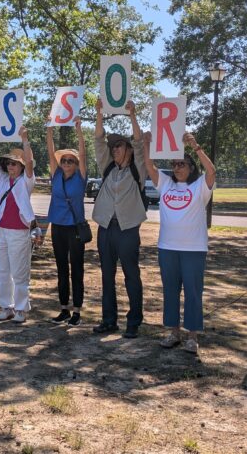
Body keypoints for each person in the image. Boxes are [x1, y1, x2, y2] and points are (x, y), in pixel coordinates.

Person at [143, 131, 216, 355]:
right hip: (167, 247)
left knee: (193, 292)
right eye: (174, 164)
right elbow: (150, 167)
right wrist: (147, 144)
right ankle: (173, 333)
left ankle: (192, 336)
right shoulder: (165, 184)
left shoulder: (200, 187)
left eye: (182, 164)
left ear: (191, 167)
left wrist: (195, 146)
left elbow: (211, 170)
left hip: (193, 248)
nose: (177, 168)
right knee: (171, 291)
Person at [92, 100, 147, 338]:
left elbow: (139, 141)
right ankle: (109, 320)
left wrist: (132, 115)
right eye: (113, 147)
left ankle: (134, 321)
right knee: (106, 276)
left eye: (119, 146)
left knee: (131, 275)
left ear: (129, 150)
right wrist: (99, 113)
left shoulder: (138, 170)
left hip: (127, 230)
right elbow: (97, 141)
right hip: (105, 228)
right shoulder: (108, 168)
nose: (114, 149)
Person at [0, 126, 36, 323]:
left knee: (19, 271)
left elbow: (30, 162)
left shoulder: (26, 181)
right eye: (8, 164)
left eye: (14, 164)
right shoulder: (2, 179)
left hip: (19, 231)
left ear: (21, 166)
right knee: (2, 270)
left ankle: (22, 309)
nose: (10, 167)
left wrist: (25, 139)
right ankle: (6, 306)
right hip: (1, 230)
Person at [45, 117, 88, 326]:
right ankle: (64, 309)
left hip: (75, 228)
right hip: (58, 226)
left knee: (76, 269)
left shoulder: (81, 177)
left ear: (76, 164)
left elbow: (83, 152)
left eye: (70, 161)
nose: (66, 163)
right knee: (61, 268)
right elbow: (50, 150)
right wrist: (49, 130)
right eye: (64, 161)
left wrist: (79, 131)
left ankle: (77, 311)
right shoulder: (56, 175)